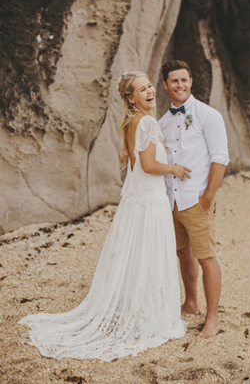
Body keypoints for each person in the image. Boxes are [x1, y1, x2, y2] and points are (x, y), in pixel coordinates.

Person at [19, 71, 189, 360]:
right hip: (148, 200)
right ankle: (147, 316)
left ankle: (138, 309)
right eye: (141, 89)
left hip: (140, 199)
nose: (149, 91)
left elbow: (136, 162)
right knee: (149, 253)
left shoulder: (132, 121)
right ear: (131, 98)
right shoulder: (145, 121)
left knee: (140, 253)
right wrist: (174, 169)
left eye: (149, 86)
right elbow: (147, 165)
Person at [159, 60, 229, 338]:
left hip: (196, 200)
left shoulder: (208, 115)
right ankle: (191, 303)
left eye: (184, 80)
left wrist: (208, 196)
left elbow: (220, 157)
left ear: (191, 82)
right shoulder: (162, 122)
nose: (180, 85)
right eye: (174, 81)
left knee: (206, 258)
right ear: (165, 85)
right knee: (182, 253)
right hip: (171, 201)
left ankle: (213, 319)